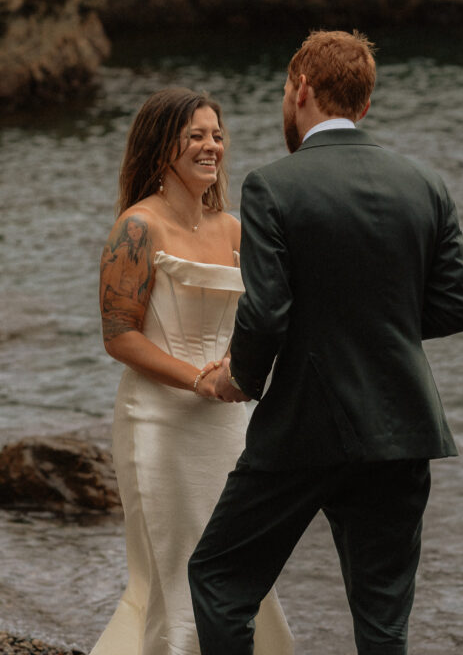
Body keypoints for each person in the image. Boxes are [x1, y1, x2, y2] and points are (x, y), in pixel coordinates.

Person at [189, 29, 463, 655]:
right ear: (365, 104)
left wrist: (238, 379)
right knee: (382, 621)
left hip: (302, 428)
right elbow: (458, 307)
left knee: (219, 581)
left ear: (300, 89)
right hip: (402, 428)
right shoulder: (425, 183)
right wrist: (379, 323)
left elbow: (266, 314)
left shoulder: (272, 186)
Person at [90, 87, 293, 655]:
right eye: (197, 135)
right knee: (172, 576)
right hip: (160, 421)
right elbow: (119, 336)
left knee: (237, 571)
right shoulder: (136, 228)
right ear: (161, 148)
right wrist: (196, 378)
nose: (212, 147)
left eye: (218, 135)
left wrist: (239, 368)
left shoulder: (232, 229)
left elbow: (262, 316)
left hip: (230, 423)